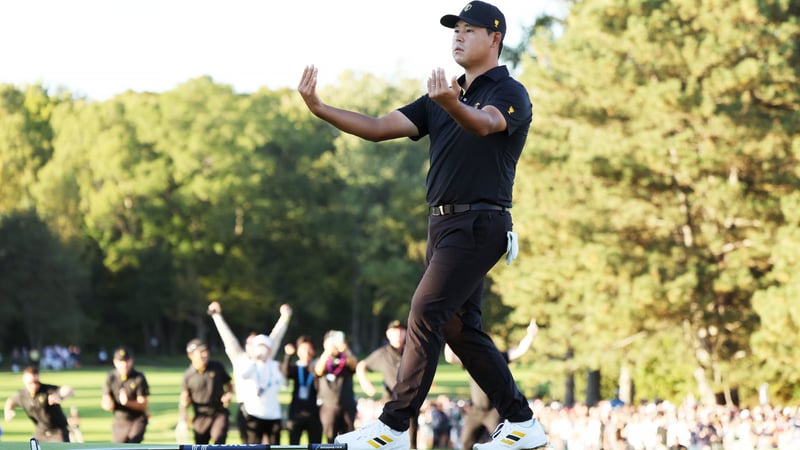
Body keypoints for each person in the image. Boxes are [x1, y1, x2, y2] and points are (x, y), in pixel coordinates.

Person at [297, 2, 546, 450]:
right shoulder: (441, 98)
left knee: (424, 312)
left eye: (470, 30)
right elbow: (376, 127)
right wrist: (320, 108)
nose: (458, 36)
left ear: (495, 39)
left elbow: (486, 125)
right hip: (443, 228)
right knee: (458, 329)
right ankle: (521, 421)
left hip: (479, 222)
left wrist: (451, 103)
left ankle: (393, 426)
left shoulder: (509, 91)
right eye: (456, 30)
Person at [445, 319, 539, 450]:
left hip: (494, 411)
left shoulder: (498, 358)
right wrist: (450, 335)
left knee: (502, 443)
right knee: (466, 443)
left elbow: (520, 350)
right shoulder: (472, 360)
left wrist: (530, 335)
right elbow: (450, 358)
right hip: (476, 410)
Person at [208, 301, 290, 444]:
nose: (256, 348)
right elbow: (228, 338)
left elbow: (275, 338)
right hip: (248, 411)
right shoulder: (240, 358)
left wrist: (285, 317)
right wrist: (217, 316)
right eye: (251, 344)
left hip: (270, 412)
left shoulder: (267, 358)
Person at [356, 320, 418, 448]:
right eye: (394, 332)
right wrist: (366, 384)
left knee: (410, 441)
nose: (398, 335)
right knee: (388, 440)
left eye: (401, 331)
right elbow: (361, 366)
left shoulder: (412, 350)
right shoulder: (382, 354)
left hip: (410, 401)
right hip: (390, 402)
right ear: (388, 334)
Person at [179, 338, 234, 444]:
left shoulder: (217, 366)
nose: (205, 354)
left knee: (219, 439)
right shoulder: (187, 375)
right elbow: (185, 399)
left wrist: (229, 395)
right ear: (191, 355)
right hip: (200, 416)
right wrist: (185, 407)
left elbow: (229, 385)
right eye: (201, 352)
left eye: (206, 351)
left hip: (219, 413)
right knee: (201, 445)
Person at [3, 365, 74, 442]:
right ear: (24, 380)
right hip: (40, 433)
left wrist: (60, 396)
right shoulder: (22, 395)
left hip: (58, 433)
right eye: (31, 383)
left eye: (36, 382)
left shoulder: (47, 390)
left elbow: (68, 390)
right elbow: (10, 401)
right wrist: (8, 411)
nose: (34, 385)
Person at [314, 330, 358, 443]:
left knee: (349, 438)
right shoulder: (323, 359)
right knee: (330, 438)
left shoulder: (346, 359)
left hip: (347, 405)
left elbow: (355, 366)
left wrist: (346, 350)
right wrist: (327, 352)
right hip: (329, 407)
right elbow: (318, 370)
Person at [101, 346, 150, 443]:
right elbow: (105, 400)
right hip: (119, 420)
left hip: (137, 419)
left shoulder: (138, 377)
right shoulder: (111, 377)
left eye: (126, 361)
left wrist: (127, 403)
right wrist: (108, 404)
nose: (124, 365)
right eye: (121, 361)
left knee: (132, 443)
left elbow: (143, 405)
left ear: (131, 361)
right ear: (115, 362)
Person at [282, 335, 323, 445]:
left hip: (314, 414)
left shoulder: (317, 368)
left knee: (315, 444)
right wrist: (288, 356)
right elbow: (286, 373)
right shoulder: (296, 368)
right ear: (298, 351)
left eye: (309, 349)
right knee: (294, 444)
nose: (307, 352)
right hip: (296, 413)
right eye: (304, 349)